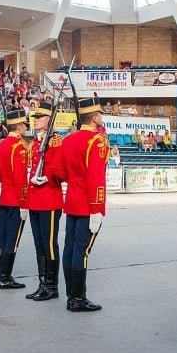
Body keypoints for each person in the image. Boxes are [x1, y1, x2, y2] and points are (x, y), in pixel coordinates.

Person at [60, 97, 109, 312]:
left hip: (72, 202)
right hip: (88, 205)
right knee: (82, 251)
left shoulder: (69, 140)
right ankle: (78, 299)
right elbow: (96, 177)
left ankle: (72, 295)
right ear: (95, 117)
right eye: (99, 114)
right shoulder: (95, 142)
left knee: (70, 249)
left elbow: (62, 172)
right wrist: (97, 209)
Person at [24, 100, 65, 301]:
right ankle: (43, 283)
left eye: (39, 118)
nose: (35, 121)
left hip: (49, 199)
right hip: (35, 199)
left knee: (49, 244)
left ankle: (52, 286)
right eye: (35, 117)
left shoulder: (56, 141)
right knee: (39, 244)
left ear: (49, 119)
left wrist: (48, 177)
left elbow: (60, 169)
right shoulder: (35, 143)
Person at [0, 108, 29, 289]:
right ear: (18, 127)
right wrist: (24, 202)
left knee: (2, 237)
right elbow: (20, 178)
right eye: (25, 125)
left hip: (4, 198)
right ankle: (5, 276)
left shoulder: (1, 145)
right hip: (15, 200)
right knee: (12, 239)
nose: (26, 127)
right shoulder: (18, 147)